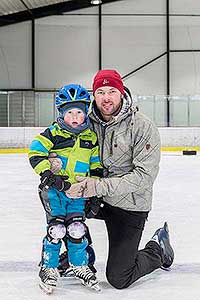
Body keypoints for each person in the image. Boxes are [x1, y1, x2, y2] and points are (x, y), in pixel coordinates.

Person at [59, 69, 174, 289]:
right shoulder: (83, 121)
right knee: (55, 200)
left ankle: (157, 248)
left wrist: (97, 186)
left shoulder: (142, 126)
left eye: (112, 91)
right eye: (100, 92)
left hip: (129, 204)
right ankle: (79, 254)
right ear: (94, 95)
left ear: (121, 92)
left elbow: (144, 177)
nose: (106, 98)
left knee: (119, 278)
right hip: (96, 199)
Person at [28, 84, 102, 293]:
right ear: (61, 113)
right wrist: (48, 175)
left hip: (78, 192)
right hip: (55, 191)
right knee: (57, 229)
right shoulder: (52, 133)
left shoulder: (90, 137)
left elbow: (95, 165)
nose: (75, 116)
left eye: (79, 111)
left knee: (77, 229)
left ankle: (79, 264)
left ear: (85, 112)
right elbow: (35, 153)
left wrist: (94, 193)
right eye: (70, 112)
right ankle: (48, 267)